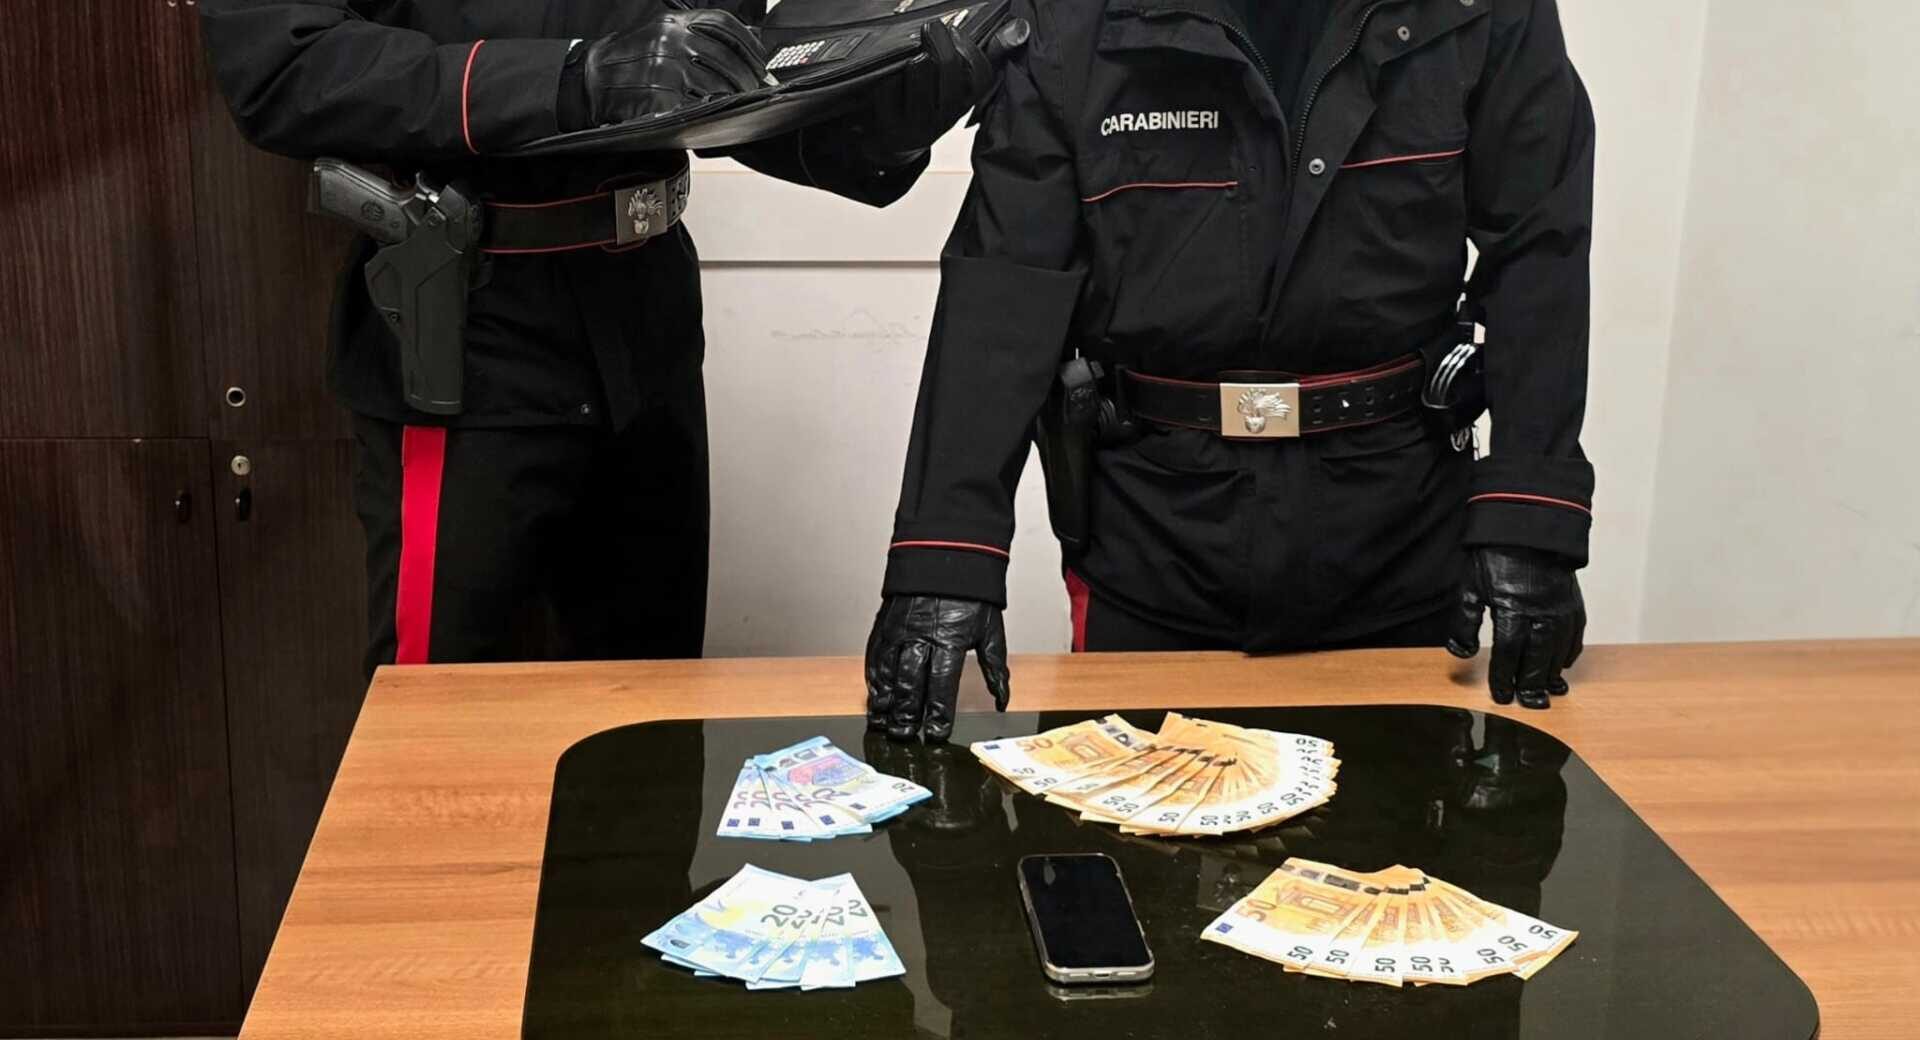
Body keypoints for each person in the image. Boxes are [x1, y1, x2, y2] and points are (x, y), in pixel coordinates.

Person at [865, 0, 1595, 742]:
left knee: (1402, 812)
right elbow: (1006, 286)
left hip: (1399, 532)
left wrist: (1532, 512)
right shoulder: (1071, 17)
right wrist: (946, 555)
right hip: (1151, 539)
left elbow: (1539, 251)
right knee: (1126, 806)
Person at [200, 0, 1003, 673]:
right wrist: (569, 79)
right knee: (439, 728)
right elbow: (283, 63)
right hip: (466, 330)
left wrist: (878, 124)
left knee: (652, 726)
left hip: (644, 326)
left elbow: (726, 70)